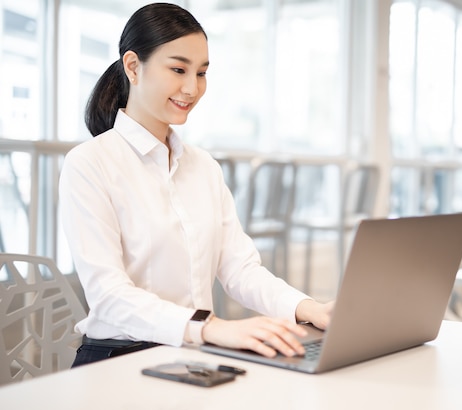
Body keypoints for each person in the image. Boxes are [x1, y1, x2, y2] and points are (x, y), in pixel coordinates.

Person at [59, 2, 333, 367]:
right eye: (178, 69)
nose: (192, 88)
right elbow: (109, 296)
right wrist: (208, 327)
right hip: (118, 358)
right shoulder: (89, 163)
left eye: (201, 73)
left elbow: (240, 270)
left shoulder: (203, 167)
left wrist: (308, 308)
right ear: (133, 67)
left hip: (192, 356)